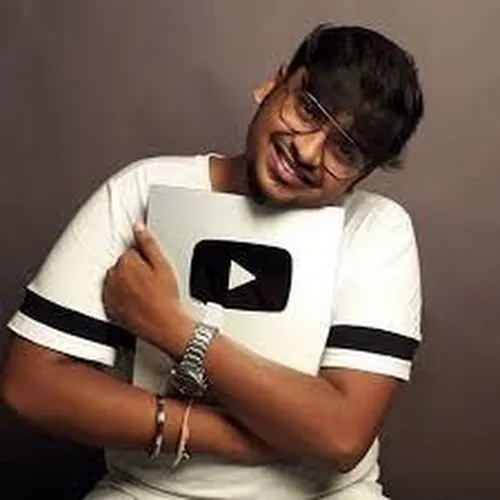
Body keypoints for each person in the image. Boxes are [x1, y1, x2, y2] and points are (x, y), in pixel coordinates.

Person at [1, 24, 424, 499]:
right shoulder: (144, 190)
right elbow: (30, 384)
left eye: (344, 150)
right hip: (149, 491)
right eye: (308, 109)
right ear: (274, 84)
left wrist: (172, 328)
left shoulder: (376, 229)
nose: (307, 151)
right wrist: (228, 437)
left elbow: (341, 437)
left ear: (363, 174)